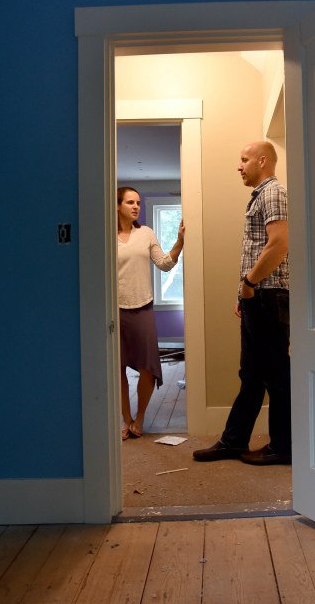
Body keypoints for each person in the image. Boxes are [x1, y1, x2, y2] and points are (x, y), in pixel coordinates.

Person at [193, 141, 291, 465]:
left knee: (275, 374)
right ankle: (234, 441)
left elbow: (279, 244)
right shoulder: (261, 196)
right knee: (251, 374)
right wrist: (244, 294)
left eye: (244, 159)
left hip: (267, 295)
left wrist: (249, 285)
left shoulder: (273, 193)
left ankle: (283, 447)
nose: (239, 166)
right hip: (257, 296)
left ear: (262, 161)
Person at [117, 186, 185, 440]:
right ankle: (126, 420)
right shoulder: (106, 236)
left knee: (148, 367)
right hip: (114, 311)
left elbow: (164, 264)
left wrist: (179, 242)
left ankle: (140, 416)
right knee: (117, 368)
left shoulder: (146, 233)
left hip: (143, 307)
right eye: (130, 202)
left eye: (138, 202)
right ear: (117, 206)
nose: (136, 206)